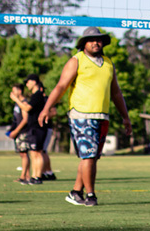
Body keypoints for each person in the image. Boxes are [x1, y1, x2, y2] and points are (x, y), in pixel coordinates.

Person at [39, 27, 132, 206]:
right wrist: (46, 108)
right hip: (81, 114)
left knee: (91, 157)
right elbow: (60, 86)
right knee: (88, 156)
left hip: (102, 115)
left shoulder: (107, 63)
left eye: (98, 40)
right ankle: (90, 195)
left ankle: (76, 191)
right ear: (83, 43)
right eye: (91, 40)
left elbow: (116, 93)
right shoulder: (76, 60)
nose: (95, 42)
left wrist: (125, 117)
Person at [16, 74, 48, 185]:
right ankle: (34, 176)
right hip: (34, 127)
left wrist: (16, 99)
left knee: (37, 153)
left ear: (34, 82)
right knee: (33, 153)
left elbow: (27, 108)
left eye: (28, 81)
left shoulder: (38, 95)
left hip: (38, 127)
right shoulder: (35, 95)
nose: (27, 84)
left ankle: (38, 176)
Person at [8, 83, 32, 184]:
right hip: (19, 132)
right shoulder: (17, 103)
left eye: (14, 91)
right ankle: (26, 176)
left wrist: (16, 131)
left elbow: (25, 119)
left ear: (20, 91)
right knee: (22, 154)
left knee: (24, 153)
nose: (12, 94)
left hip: (23, 132)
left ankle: (23, 176)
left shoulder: (23, 102)